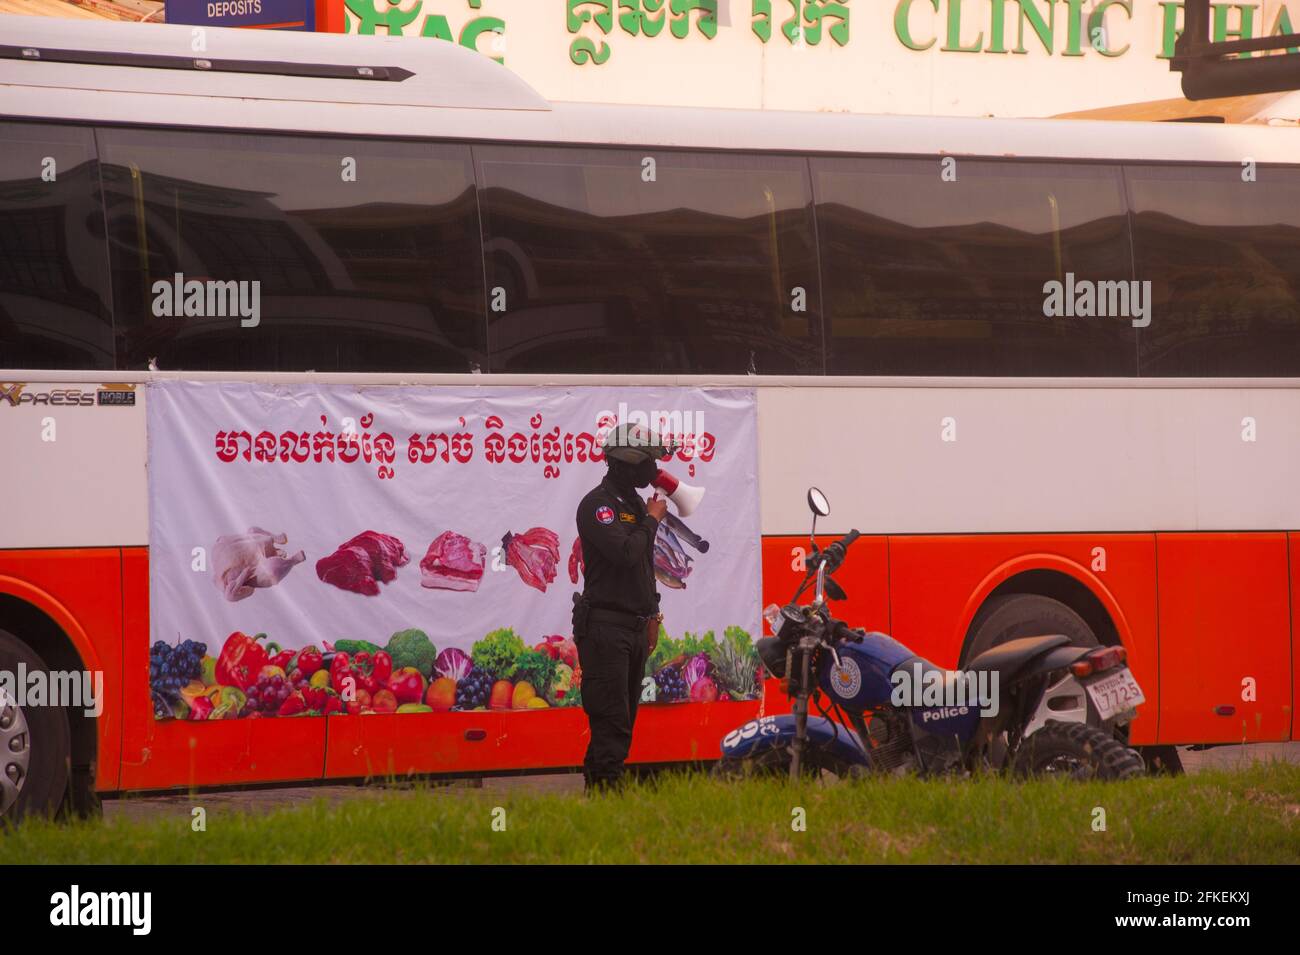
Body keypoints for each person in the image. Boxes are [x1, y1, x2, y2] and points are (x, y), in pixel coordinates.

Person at [572, 422, 672, 793]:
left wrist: (653, 614)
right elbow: (627, 554)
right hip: (605, 629)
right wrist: (651, 520)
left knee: (624, 720)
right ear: (627, 462)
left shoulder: (632, 502)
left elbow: (644, 570)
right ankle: (604, 796)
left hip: (631, 628)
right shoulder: (598, 505)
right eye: (647, 462)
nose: (652, 471)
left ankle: (602, 795)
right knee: (610, 720)